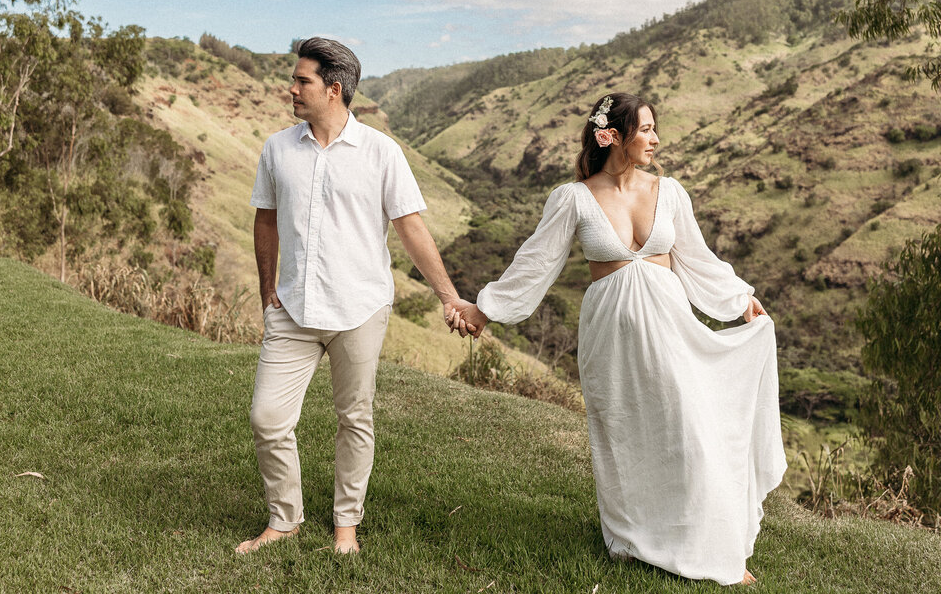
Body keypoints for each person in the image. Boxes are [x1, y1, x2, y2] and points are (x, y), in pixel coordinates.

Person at [449, 93, 785, 586]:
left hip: (670, 325)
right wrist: (485, 310)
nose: (655, 139)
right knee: (626, 433)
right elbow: (536, 262)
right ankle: (631, 539)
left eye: (654, 129)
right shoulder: (574, 197)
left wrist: (741, 300)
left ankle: (711, 543)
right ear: (615, 137)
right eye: (645, 129)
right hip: (611, 333)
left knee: (688, 427)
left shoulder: (669, 192)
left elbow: (697, 257)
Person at [237, 37, 477, 556]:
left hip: (360, 309)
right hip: (293, 308)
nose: (292, 88)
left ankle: (347, 523)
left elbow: (410, 227)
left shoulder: (381, 152)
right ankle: (284, 519)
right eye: (295, 79)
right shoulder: (278, 148)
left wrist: (448, 296)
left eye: (302, 80)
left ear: (334, 89)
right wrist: (266, 289)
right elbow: (265, 218)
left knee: (354, 417)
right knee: (267, 418)